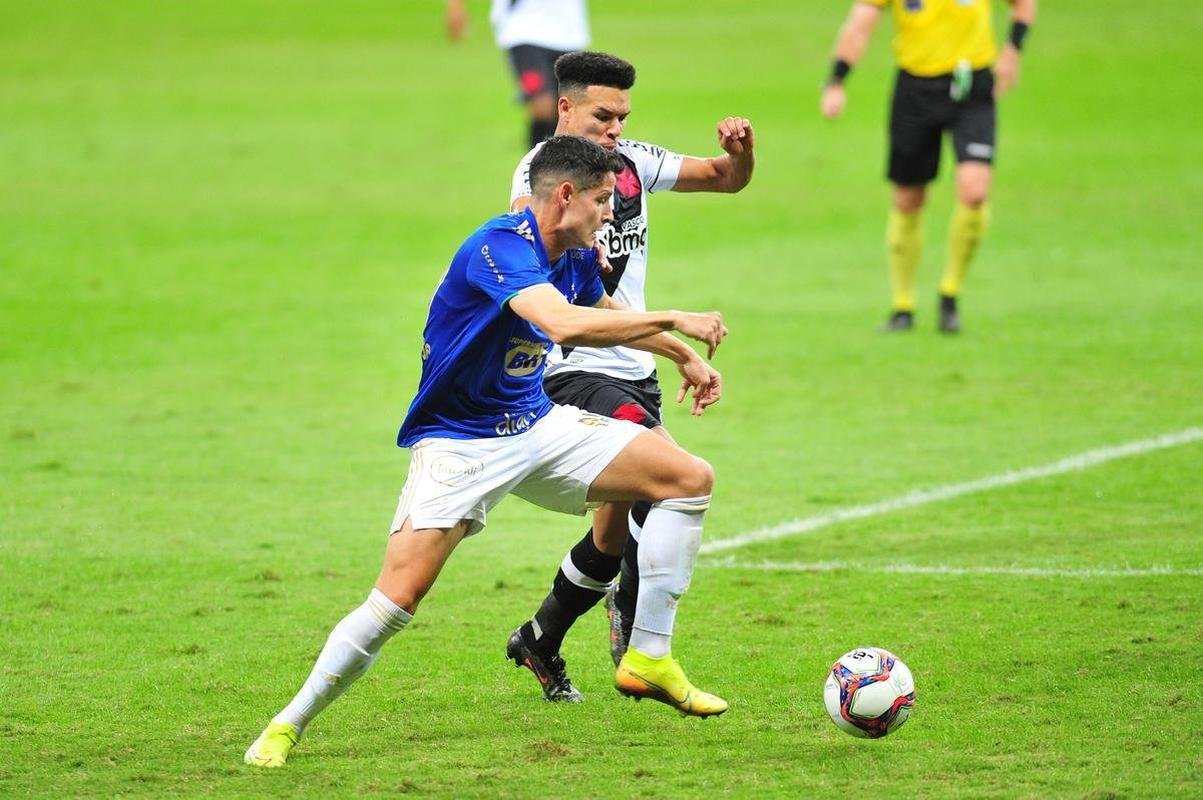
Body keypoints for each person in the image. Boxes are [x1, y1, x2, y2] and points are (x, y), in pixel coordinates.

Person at [244, 135, 731, 768]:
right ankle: (287, 723)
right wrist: (678, 318)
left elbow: (600, 307)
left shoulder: (574, 251)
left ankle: (648, 654)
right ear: (564, 196)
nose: (612, 213)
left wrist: (682, 355)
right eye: (603, 200)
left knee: (688, 477)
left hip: (536, 426)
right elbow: (565, 325)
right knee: (397, 601)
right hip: (460, 445)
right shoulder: (499, 246)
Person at [502, 51, 754, 702]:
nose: (614, 129)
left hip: (631, 364)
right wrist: (680, 342)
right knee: (669, 475)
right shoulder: (541, 181)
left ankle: (540, 637)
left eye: (622, 117)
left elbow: (725, 180)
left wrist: (740, 151)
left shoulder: (632, 161)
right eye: (601, 116)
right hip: (573, 367)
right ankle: (643, 642)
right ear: (564, 109)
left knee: (611, 535)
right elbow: (580, 302)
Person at [821, 0, 1037, 333]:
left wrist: (1013, 50)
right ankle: (903, 305)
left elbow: (1024, 4)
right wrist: (837, 80)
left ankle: (950, 293)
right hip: (915, 89)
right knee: (908, 198)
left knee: (975, 191)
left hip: (973, 84)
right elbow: (861, 23)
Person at [445, 0, 590, 149]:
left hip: (569, 33)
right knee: (542, 104)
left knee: (566, 112)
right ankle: (534, 168)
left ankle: (558, 165)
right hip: (522, 31)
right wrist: (455, 6)